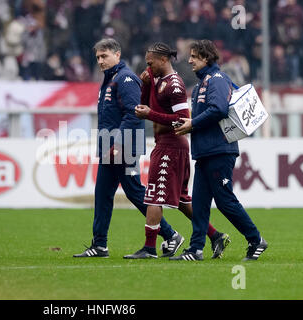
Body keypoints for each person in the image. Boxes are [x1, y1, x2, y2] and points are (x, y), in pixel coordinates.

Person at [123, 42, 230, 259]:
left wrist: (151, 114)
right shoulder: (155, 79)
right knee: (181, 199)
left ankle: (150, 248)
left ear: (163, 60)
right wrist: (145, 86)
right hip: (165, 145)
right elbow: (144, 107)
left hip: (172, 146)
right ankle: (215, 235)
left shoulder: (175, 85)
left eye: (150, 62)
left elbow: (183, 120)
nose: (148, 66)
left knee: (153, 196)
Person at [74, 38, 172, 258]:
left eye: (104, 56)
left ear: (117, 55)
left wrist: (118, 143)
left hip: (123, 148)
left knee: (136, 193)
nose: (100, 61)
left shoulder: (125, 78)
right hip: (112, 149)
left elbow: (134, 113)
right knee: (102, 195)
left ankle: (170, 235)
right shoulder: (110, 79)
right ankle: (99, 245)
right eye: (98, 57)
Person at [173, 40, 268, 261]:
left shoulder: (217, 79)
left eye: (194, 56)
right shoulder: (201, 84)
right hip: (206, 151)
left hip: (220, 150)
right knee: (199, 203)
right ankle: (196, 249)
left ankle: (255, 239)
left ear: (206, 58)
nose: (190, 60)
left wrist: (192, 124)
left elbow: (219, 109)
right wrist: (190, 123)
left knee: (225, 201)